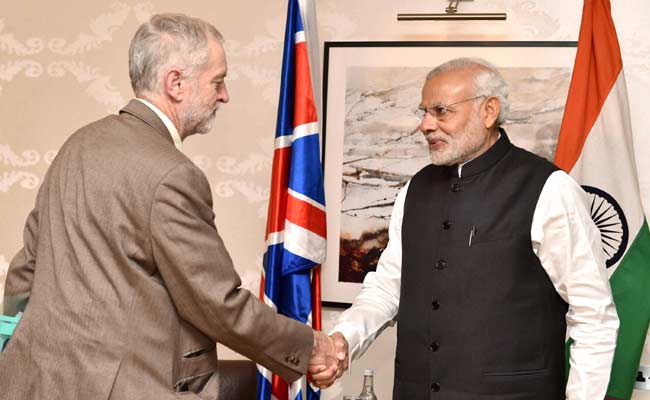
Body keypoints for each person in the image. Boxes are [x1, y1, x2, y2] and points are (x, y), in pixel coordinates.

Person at [0, 13, 339, 399]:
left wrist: (9, 343)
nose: (224, 95)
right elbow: (218, 303)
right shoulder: (174, 175)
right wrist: (310, 345)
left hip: (30, 383)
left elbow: (25, 270)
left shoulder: (76, 144)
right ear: (176, 83)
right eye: (218, 81)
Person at [316, 58, 620, 399]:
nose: (425, 125)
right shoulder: (413, 191)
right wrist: (343, 338)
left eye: (441, 111)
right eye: (424, 112)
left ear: (489, 111)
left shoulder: (549, 188)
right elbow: (387, 289)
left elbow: (594, 316)